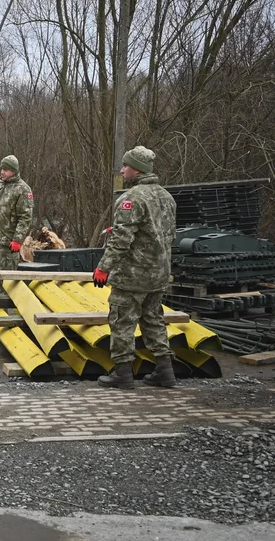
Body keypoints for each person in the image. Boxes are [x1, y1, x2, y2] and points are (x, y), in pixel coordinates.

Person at [92, 146, 178, 390]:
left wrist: (103, 267)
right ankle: (165, 371)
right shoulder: (166, 197)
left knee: (122, 322)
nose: (122, 170)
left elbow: (121, 240)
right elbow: (165, 235)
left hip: (132, 275)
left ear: (137, 169)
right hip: (158, 273)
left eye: (125, 166)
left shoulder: (131, 199)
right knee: (153, 319)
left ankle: (122, 373)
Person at [0, 155, 34, 293]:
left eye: (6, 169)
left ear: (14, 171)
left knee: (7, 276)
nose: (2, 172)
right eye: (2, 168)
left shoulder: (23, 189)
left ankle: (5, 305)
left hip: (8, 242)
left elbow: (25, 217)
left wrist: (17, 239)